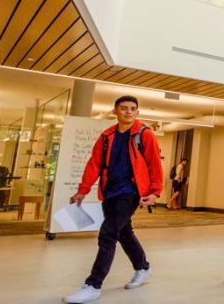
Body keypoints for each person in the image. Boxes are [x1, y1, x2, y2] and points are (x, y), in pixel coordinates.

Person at [62, 96, 164, 304]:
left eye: (133, 109)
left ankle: (93, 285)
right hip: (110, 192)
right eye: (124, 108)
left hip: (131, 191)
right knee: (124, 232)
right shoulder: (107, 136)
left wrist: (155, 192)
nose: (129, 112)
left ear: (137, 112)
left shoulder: (145, 135)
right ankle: (143, 267)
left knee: (108, 233)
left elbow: (155, 165)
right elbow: (94, 164)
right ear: (115, 111)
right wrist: (82, 190)